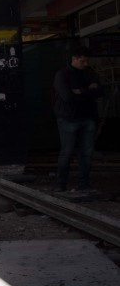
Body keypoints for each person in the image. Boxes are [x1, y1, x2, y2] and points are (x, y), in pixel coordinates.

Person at [53, 43, 102, 192]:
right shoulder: (62, 75)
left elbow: (100, 92)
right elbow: (67, 97)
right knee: (66, 153)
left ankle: (84, 185)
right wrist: (88, 92)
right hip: (69, 118)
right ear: (74, 59)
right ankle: (61, 185)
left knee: (86, 154)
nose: (85, 64)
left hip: (87, 118)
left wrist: (79, 92)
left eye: (87, 61)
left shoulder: (89, 73)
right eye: (83, 61)